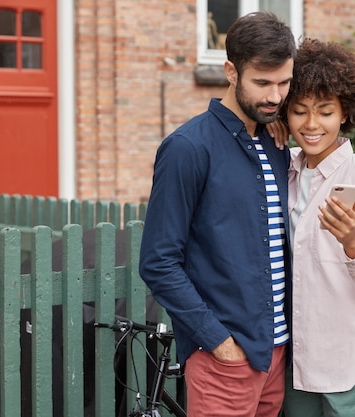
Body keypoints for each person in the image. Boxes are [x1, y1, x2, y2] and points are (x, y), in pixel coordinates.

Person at [138, 12, 296, 417]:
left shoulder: (277, 143)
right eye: (262, 83)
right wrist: (218, 342)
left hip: (277, 356)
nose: (275, 96)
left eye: (284, 83)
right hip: (225, 359)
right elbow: (158, 262)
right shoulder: (187, 148)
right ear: (230, 71)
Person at [279, 38, 355, 417]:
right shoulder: (288, 171)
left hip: (354, 365)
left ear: (345, 113)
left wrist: (352, 242)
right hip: (301, 364)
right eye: (298, 112)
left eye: (325, 112)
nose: (311, 125)